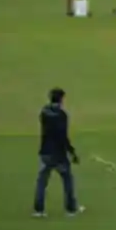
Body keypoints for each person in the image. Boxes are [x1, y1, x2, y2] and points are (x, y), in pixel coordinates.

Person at [34, 88, 82, 218]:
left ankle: (39, 210)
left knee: (42, 182)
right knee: (67, 180)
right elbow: (62, 136)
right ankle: (71, 209)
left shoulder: (44, 112)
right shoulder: (62, 115)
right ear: (61, 99)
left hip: (45, 152)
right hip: (58, 154)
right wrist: (72, 152)